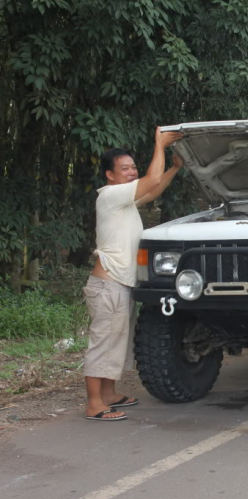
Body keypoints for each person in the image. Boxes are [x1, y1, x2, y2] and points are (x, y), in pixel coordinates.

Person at [83, 127, 183, 421]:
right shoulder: (111, 196)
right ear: (110, 176)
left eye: (133, 168)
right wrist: (160, 145)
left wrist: (175, 168)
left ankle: (110, 394)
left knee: (117, 342)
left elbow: (153, 189)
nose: (131, 172)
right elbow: (150, 179)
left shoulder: (123, 203)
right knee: (104, 343)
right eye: (124, 169)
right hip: (108, 285)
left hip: (120, 284)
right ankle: (93, 404)